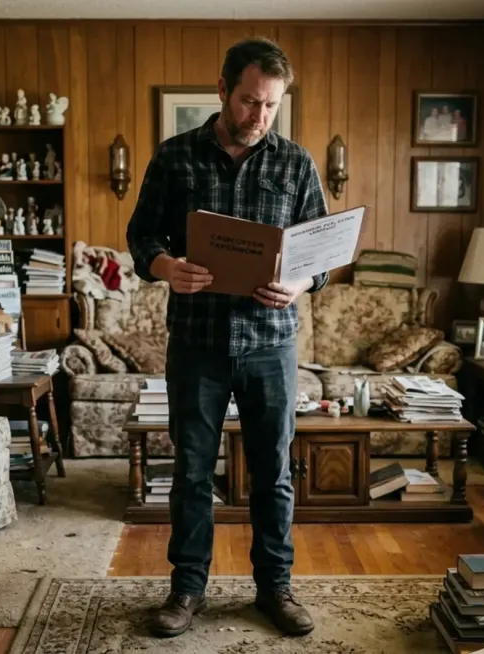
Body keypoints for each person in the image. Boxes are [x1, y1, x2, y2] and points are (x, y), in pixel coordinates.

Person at [126, 38, 324, 640]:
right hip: (197, 342)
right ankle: (187, 590)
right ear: (222, 90)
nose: (259, 116)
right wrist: (168, 267)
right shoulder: (175, 157)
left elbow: (321, 253)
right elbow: (141, 238)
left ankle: (275, 589)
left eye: (270, 105)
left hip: (271, 343)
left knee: (274, 472)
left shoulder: (296, 164)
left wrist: (298, 282)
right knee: (191, 472)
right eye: (249, 101)